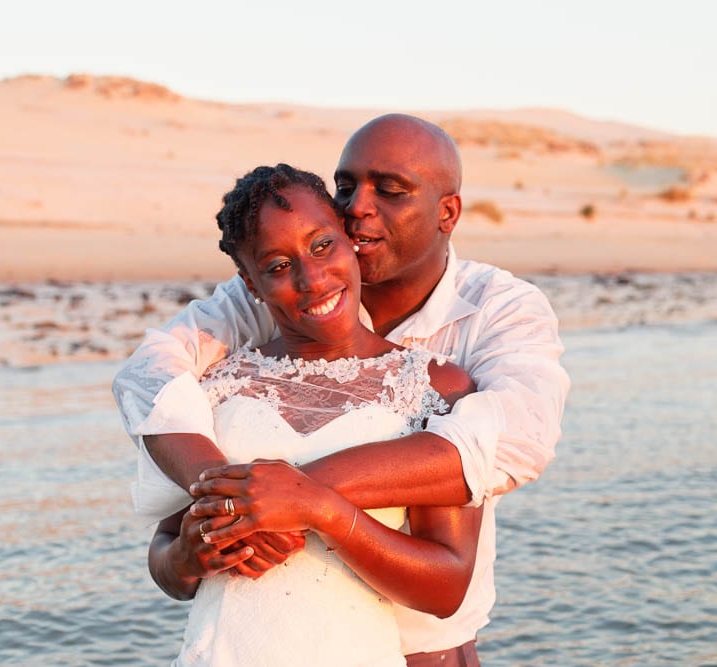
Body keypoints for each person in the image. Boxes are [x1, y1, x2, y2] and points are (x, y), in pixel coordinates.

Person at [113, 114, 570, 664]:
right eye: (346, 186)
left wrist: (297, 499)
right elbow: (148, 378)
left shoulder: (496, 314)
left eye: (390, 189)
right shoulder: (253, 317)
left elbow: (516, 439)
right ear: (254, 283)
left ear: (447, 212)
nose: (357, 207)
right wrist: (224, 509)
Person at [146, 163, 483, 666]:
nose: (312, 278)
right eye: (278, 266)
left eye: (322, 246)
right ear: (250, 283)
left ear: (349, 241)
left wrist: (321, 510)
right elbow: (168, 556)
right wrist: (185, 558)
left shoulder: (432, 386)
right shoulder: (217, 386)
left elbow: (446, 587)